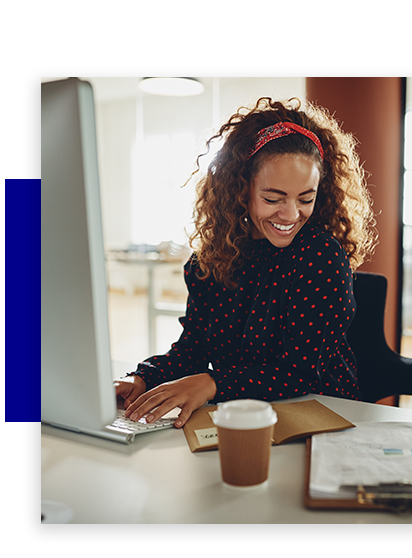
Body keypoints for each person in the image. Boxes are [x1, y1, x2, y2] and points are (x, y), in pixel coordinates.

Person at [114, 97, 377, 428]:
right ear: (241, 188)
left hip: (316, 412)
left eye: (305, 198)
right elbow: (193, 349)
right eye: (272, 198)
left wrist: (212, 384)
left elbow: (300, 372)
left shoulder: (320, 256)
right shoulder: (211, 259)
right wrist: (143, 378)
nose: (291, 215)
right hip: (238, 412)